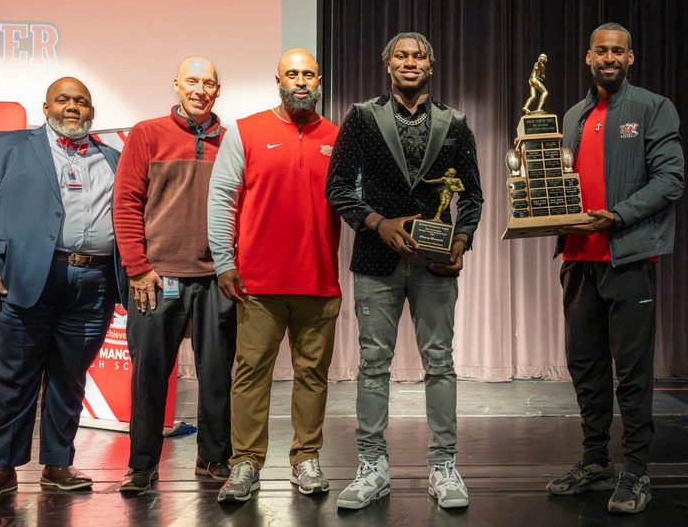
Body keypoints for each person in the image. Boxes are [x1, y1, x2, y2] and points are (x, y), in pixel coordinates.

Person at [325, 31, 483, 510]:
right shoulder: (360, 117)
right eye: (401, 55)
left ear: (430, 66)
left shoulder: (455, 123)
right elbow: (337, 188)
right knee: (373, 366)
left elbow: (472, 196)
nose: (410, 62)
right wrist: (377, 222)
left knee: (440, 363)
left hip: (436, 264)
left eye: (419, 56)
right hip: (376, 258)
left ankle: (444, 466)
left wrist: (459, 241)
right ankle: (372, 467)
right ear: (387, 63)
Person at [0, 77, 126, 502]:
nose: (73, 107)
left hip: (93, 283)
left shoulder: (115, 158)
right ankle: (1, 470)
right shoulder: (3, 146)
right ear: (46, 106)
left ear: (92, 111)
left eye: (82, 101)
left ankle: (58, 465)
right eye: (63, 100)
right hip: (21, 280)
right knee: (12, 377)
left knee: (70, 377)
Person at [546, 23, 685, 515]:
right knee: (585, 368)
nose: (609, 57)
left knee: (631, 372)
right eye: (601, 50)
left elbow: (671, 179)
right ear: (588, 57)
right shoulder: (572, 115)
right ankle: (594, 461)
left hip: (627, 257)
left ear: (631, 58)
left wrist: (619, 215)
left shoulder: (651, 107)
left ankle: (637, 469)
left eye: (617, 51)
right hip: (578, 259)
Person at [207, 48, 342, 503]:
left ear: (319, 79)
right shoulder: (246, 131)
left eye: (308, 74)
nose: (300, 81)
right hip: (257, 286)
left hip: (319, 282)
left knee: (313, 377)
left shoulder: (338, 137)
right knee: (251, 376)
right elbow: (222, 198)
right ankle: (245, 463)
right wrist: (225, 262)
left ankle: (306, 459)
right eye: (292, 74)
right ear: (278, 79)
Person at [112, 57, 235, 492]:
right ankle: (142, 466)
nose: (200, 89)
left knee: (217, 374)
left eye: (208, 83)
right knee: (149, 374)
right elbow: (125, 203)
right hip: (157, 277)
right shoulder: (147, 134)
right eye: (192, 81)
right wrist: (138, 269)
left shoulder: (232, 139)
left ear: (218, 90)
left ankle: (214, 459)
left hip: (215, 277)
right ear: (177, 85)